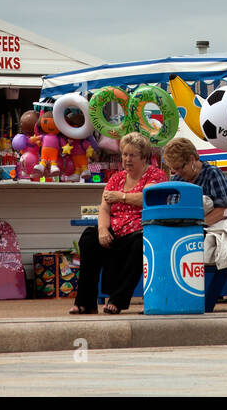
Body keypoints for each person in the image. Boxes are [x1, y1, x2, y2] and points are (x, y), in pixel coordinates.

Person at [70, 132, 165, 315]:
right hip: (115, 231)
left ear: (144, 157)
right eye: (125, 154)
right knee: (89, 238)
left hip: (139, 231)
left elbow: (147, 197)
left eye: (132, 155)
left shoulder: (155, 175)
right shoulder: (116, 178)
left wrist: (121, 197)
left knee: (140, 242)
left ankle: (117, 300)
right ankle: (85, 302)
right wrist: (102, 230)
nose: (127, 159)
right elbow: (104, 208)